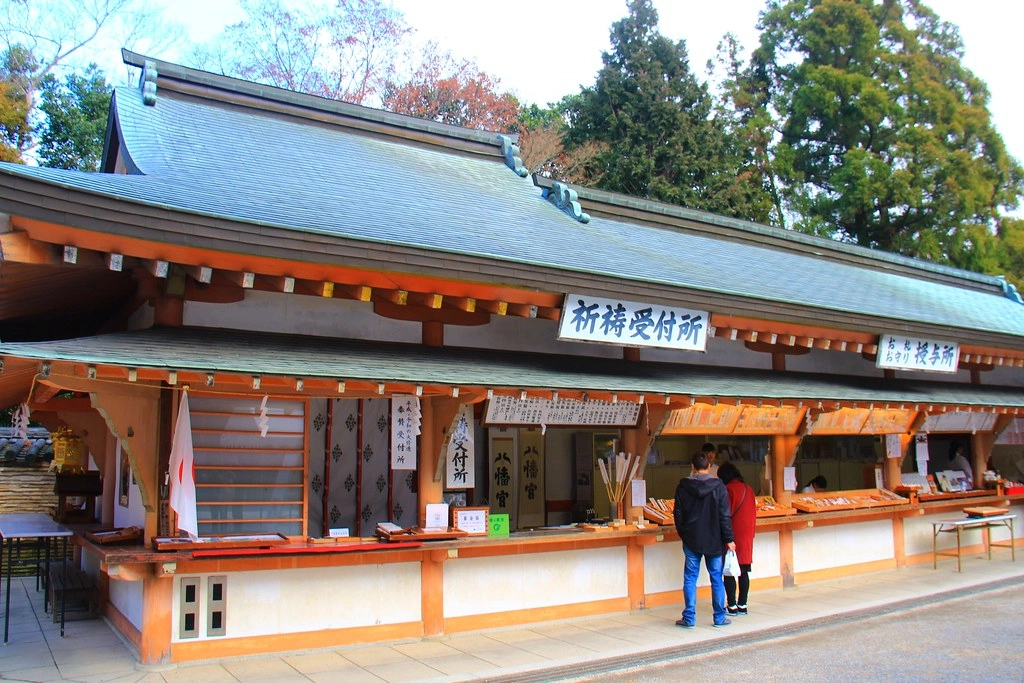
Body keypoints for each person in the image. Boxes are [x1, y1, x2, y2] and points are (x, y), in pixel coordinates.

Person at [673, 449, 735, 628]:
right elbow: (724, 516)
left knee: (690, 578)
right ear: (709, 466)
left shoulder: (683, 487)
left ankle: (689, 618)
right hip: (714, 539)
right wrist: (729, 539)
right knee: (716, 578)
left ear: (692, 467)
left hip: (691, 539)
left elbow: (678, 514)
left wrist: (684, 533)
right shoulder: (719, 487)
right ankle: (719, 617)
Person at [718, 462, 755, 616]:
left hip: (732, 534)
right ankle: (743, 604)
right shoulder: (749, 489)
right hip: (747, 534)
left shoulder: (728, 489)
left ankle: (732, 605)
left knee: (729, 569)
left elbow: (725, 514)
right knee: (744, 570)